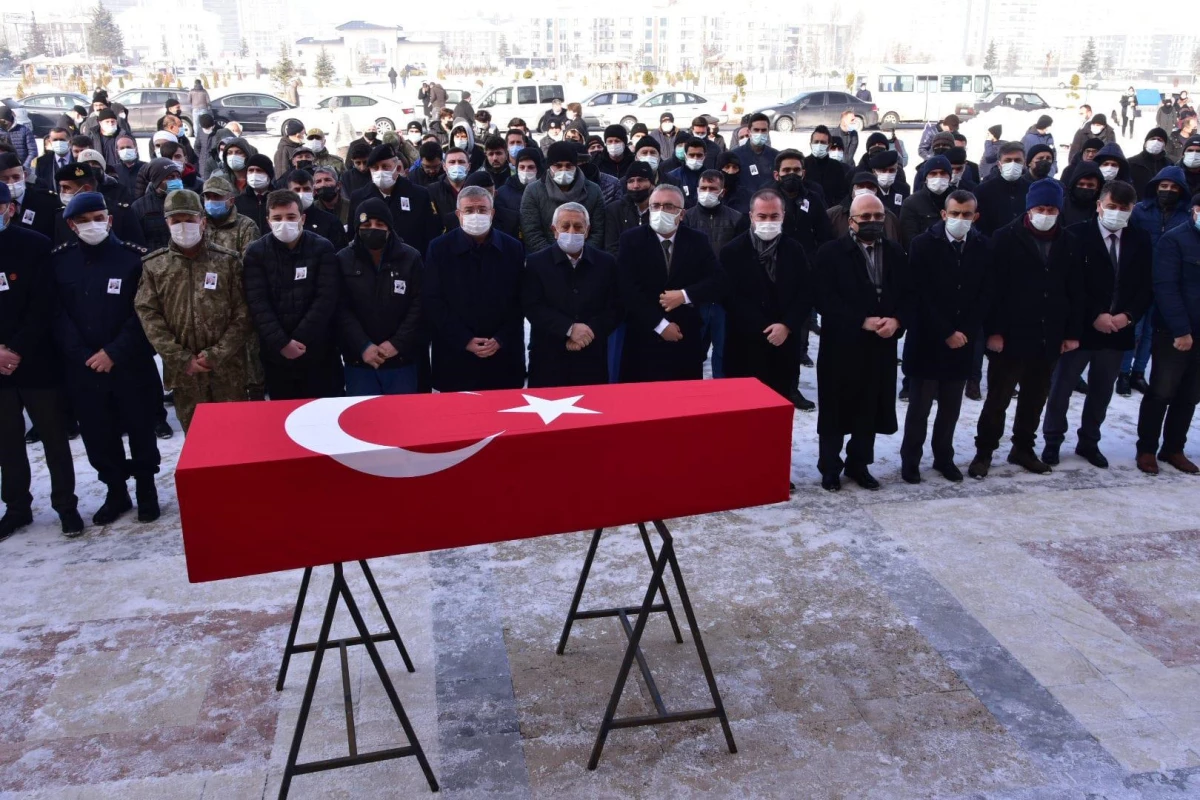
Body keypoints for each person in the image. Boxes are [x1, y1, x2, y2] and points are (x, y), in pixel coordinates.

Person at [51, 191, 161, 524]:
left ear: (110, 220)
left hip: (129, 364)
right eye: (83, 221)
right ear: (71, 225)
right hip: (84, 368)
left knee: (141, 428)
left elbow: (145, 313)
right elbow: (56, 315)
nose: (92, 225)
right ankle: (116, 493)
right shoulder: (59, 261)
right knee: (98, 434)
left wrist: (113, 352)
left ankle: (146, 490)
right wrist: (85, 355)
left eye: (99, 218)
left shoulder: (135, 259)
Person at [969, 179, 1083, 478]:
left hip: (1048, 335)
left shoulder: (1068, 242)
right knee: (998, 398)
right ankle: (984, 451)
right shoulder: (1005, 238)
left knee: (1035, 397)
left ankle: (1023, 447)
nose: (1046, 214)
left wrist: (1071, 332)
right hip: (1010, 335)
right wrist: (993, 331)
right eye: (1040, 208)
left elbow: (1076, 290)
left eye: (1051, 209)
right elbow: (991, 291)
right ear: (1029, 209)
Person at [1040, 180, 1150, 468]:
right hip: (1079, 329)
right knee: (1061, 388)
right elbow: (1068, 284)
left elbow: (1145, 287)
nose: (1116, 213)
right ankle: (1052, 441)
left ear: (1131, 210)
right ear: (1099, 205)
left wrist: (1127, 316)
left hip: (1117, 330)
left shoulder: (1140, 239)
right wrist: (1094, 315)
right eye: (1111, 206)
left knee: (1101, 391)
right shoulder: (1075, 235)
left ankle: (1089, 441)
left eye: (1122, 209)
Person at [0, 183, 82, 539]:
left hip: (36, 360)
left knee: (53, 438)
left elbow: (43, 304)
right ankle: (16, 507)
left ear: (10, 209)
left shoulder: (34, 245)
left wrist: (15, 349)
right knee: (7, 442)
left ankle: (66, 506)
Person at [814, 193, 908, 491]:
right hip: (842, 345)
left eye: (877, 217)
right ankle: (830, 467)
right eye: (865, 217)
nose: (872, 222)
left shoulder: (895, 252)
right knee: (835, 410)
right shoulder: (830, 253)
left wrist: (897, 320)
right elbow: (823, 298)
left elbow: (910, 294)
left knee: (870, 407)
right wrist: (860, 321)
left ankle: (859, 463)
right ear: (851, 221)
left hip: (881, 344)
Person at [134, 189, 249, 432]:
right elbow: (148, 314)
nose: (183, 226)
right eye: (176, 221)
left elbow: (243, 312)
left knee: (235, 438)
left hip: (227, 371)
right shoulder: (155, 265)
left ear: (203, 221)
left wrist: (217, 354)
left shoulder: (228, 261)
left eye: (189, 220)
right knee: (198, 442)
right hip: (185, 375)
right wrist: (180, 358)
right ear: (167, 224)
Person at [900, 190, 991, 484]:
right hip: (928, 340)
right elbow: (919, 295)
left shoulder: (982, 246)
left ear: (975, 217)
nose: (960, 219)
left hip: (963, 342)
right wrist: (946, 332)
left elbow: (983, 296)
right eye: (955, 214)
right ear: (944, 214)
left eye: (966, 215)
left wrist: (965, 331)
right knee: (920, 409)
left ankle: (943, 457)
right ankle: (911, 460)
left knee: (951, 408)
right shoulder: (923, 244)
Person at [423, 185, 526, 391]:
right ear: (458, 214)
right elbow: (433, 300)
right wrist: (464, 339)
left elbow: (521, 300)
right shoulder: (439, 248)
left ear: (492, 213)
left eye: (482, 209)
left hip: (503, 357)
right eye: (469, 210)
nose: (476, 215)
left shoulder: (512, 248)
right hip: (455, 357)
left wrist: (500, 339)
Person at [242, 190, 341, 400]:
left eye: (290, 217)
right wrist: (282, 343)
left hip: (318, 351)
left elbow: (326, 298)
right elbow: (258, 303)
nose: (284, 223)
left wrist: (300, 338)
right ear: (268, 221)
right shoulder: (256, 253)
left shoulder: (322, 248)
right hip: (277, 355)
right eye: (277, 218)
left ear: (302, 218)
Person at [616, 184, 720, 382]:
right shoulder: (631, 240)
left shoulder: (697, 240)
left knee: (684, 402)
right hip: (643, 336)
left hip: (685, 336)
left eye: (668, 206)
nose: (660, 211)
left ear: (681, 214)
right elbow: (627, 288)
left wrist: (684, 295)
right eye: (655, 206)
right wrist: (660, 325)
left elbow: (717, 280)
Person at [721, 187, 812, 401]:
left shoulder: (794, 250)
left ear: (783, 216)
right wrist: (762, 327)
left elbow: (806, 292)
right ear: (751, 216)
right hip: (744, 345)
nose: (768, 221)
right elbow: (729, 297)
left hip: (783, 344)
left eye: (774, 216)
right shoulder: (732, 251)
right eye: (762, 216)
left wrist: (787, 325)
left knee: (776, 411)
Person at [1135, 191, 1200, 474]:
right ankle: (1147, 448)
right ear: (1195, 210)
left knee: (1190, 395)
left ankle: (1174, 447)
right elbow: (1165, 287)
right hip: (1174, 332)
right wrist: (1181, 329)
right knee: (1161, 391)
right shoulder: (1174, 240)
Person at [522, 202, 620, 387]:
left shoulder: (606, 263)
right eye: (565, 226)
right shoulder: (536, 263)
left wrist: (588, 332)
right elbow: (532, 307)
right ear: (554, 229)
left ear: (588, 230)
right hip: (548, 358)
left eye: (578, 226)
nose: (572, 231)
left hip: (592, 356)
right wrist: (568, 329)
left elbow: (615, 307)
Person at [335, 198, 424, 395]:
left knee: (402, 420)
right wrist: (363, 346)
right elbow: (341, 308)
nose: (373, 229)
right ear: (358, 228)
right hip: (359, 361)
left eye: (379, 224)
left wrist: (397, 343)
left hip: (401, 360)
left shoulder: (410, 258)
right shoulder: (343, 259)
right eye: (366, 225)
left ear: (389, 228)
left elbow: (418, 305)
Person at [1120, 166, 1192, 396]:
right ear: (1156, 187)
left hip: (1168, 282)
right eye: (1164, 186)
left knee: (1152, 331)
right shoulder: (1141, 211)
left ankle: (1138, 373)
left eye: (1173, 188)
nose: (1168, 191)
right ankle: (1123, 372)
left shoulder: (1186, 215)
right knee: (1135, 329)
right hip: (1140, 279)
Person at [684, 169, 742, 380]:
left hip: (724, 299)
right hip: (695, 297)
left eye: (713, 188)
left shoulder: (736, 219)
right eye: (703, 188)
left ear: (722, 191)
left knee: (722, 351)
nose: (707, 192)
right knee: (693, 351)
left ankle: (721, 395)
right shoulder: (686, 217)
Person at [348, 145, 440, 258]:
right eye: (375, 168)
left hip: (409, 264)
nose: (380, 172)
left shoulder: (419, 195)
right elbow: (353, 237)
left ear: (398, 168)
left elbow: (430, 235)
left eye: (385, 167)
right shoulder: (358, 197)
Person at [520, 141, 605, 253]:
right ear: (550, 166)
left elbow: (597, 231)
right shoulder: (533, 191)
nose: (563, 170)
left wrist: (581, 257)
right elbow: (531, 232)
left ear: (576, 166)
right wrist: (552, 258)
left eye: (569, 166)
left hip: (584, 258)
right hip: (546, 258)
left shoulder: (594, 191)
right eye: (558, 165)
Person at [828, 172, 904, 242]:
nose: (865, 189)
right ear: (852, 190)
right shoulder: (833, 215)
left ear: (877, 192)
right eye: (860, 186)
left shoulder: (889, 217)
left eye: (870, 187)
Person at [975, 142, 1032, 235]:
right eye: (1008, 160)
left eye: (1017, 160)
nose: (1013, 164)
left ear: (1024, 164)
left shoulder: (1032, 190)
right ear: (999, 164)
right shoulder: (983, 191)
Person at [2, 152, 58, 240]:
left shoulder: (46, 201)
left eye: (16, 177)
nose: (11, 182)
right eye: (4, 179)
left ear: (24, 175)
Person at [899, 155, 952, 249]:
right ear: (926, 178)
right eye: (933, 173)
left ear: (950, 177)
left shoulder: (958, 200)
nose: (938, 177)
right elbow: (910, 240)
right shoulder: (911, 203)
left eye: (943, 173)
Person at [285, 169, 347, 249]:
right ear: (289, 193)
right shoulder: (281, 221)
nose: (301, 194)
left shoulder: (331, 222)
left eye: (306, 189)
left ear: (314, 191)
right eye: (297, 190)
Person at [805, 126, 851, 207]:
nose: (819, 145)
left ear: (829, 146)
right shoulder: (803, 164)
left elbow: (842, 193)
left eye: (823, 142)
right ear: (810, 144)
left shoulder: (837, 167)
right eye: (816, 142)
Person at [731, 113, 777, 193]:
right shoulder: (735, 155)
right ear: (749, 132)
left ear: (768, 131)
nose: (760, 133)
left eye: (763, 130)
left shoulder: (775, 155)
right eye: (756, 130)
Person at [235, 154, 275, 233]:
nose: (254, 174)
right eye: (251, 170)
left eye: (259, 170)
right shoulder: (238, 202)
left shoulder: (279, 200)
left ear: (269, 174)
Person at [1128, 128, 1174, 196]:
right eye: (1152, 139)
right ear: (1145, 143)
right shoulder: (1132, 162)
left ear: (1164, 145)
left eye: (1160, 140)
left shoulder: (1169, 164)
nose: (1156, 141)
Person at [666, 138, 709, 208]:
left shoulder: (711, 178)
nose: (695, 158)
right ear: (685, 155)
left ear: (705, 156)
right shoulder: (672, 177)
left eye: (699, 155)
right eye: (692, 155)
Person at [1060, 161, 1104, 228]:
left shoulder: (1102, 207)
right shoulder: (1062, 205)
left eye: (1090, 185)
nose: (1085, 188)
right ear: (1074, 185)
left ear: (1097, 187)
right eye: (1081, 184)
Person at [0, 106, 36, 173]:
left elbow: (33, 151)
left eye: (3, 121)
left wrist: (24, 167)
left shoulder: (24, 130)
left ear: (9, 119)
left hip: (23, 168)